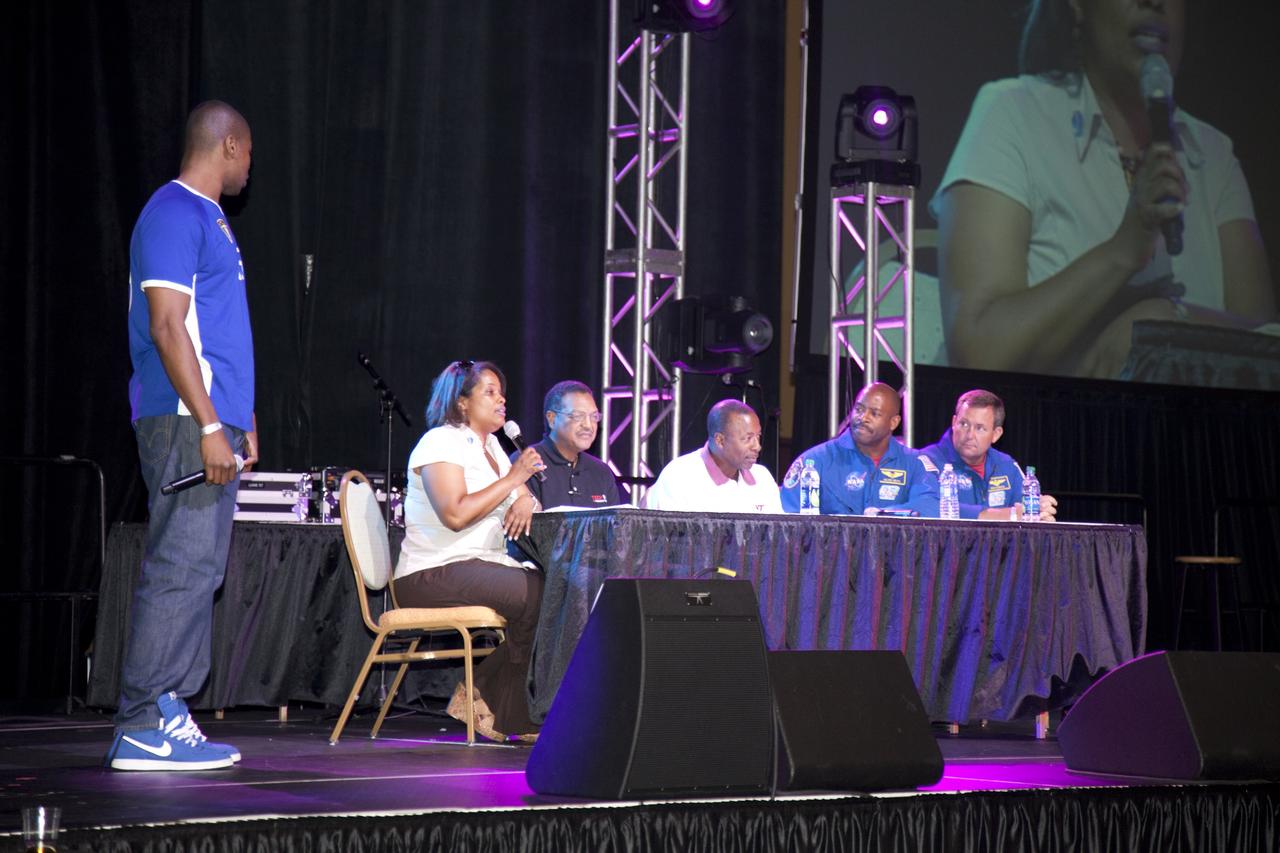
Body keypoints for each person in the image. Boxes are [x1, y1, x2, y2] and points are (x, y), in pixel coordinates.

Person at [934, 0, 1276, 380]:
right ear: (1079, 6)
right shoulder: (1013, 114)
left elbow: (1262, 347)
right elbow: (978, 349)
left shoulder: (1212, 154)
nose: (1155, 2)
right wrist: (1123, 251)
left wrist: (1161, 325)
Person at [108, 101, 257, 771]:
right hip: (181, 415)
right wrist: (207, 423)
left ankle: (166, 706)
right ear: (228, 144)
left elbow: (219, 330)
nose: (250, 166)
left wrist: (241, 419)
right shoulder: (173, 211)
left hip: (209, 416)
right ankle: (141, 719)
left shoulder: (213, 220)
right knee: (180, 561)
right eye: (248, 153)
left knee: (201, 566)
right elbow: (169, 326)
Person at [393, 360, 546, 743]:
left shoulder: (493, 446)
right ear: (462, 403)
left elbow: (524, 501)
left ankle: (488, 698)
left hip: (481, 565)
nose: (502, 399)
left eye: (501, 392)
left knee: (558, 589)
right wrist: (514, 478)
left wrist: (526, 500)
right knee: (538, 594)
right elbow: (455, 514)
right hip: (431, 572)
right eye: (489, 392)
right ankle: (506, 706)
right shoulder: (440, 442)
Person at [781, 382, 939, 516]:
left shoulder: (914, 463)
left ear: (894, 422)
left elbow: (932, 505)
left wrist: (881, 515)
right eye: (859, 409)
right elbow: (789, 517)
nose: (863, 418)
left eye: (874, 413)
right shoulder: (816, 461)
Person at [920, 390, 1059, 521]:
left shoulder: (1006, 464)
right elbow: (925, 507)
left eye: (980, 428)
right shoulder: (926, 461)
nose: (969, 435)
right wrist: (1004, 515)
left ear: (996, 434)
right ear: (953, 423)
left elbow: (1025, 510)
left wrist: (1038, 511)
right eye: (964, 424)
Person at [645, 399, 783, 513]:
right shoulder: (680, 476)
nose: (757, 446)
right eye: (747, 438)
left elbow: (778, 539)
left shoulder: (763, 478)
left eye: (758, 436)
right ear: (720, 441)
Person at [516, 380, 620, 509]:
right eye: (577, 416)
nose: (588, 425)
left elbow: (616, 527)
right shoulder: (526, 462)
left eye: (594, 417)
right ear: (552, 419)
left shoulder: (601, 472)